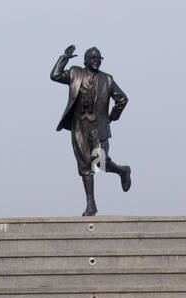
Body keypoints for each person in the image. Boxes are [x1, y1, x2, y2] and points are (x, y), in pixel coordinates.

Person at [51, 45, 131, 216]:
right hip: (79, 126)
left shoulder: (107, 79)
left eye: (99, 59)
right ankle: (91, 205)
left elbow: (122, 99)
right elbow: (55, 75)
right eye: (93, 58)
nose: (96, 61)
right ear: (85, 60)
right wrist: (64, 57)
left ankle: (122, 171)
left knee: (99, 162)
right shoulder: (75, 73)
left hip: (98, 127)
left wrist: (112, 117)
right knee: (85, 166)